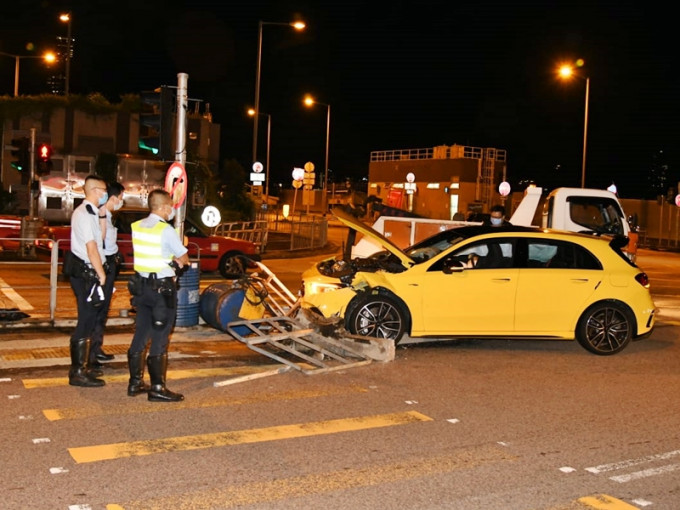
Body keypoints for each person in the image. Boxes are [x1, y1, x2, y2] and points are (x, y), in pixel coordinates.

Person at [127, 189, 189, 402]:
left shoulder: (137, 227)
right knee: (161, 338)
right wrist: (178, 259)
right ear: (163, 207)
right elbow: (183, 257)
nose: (171, 210)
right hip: (161, 291)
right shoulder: (166, 230)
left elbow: (153, 253)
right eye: (170, 207)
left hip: (141, 288)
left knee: (141, 333)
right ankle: (157, 388)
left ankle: (135, 383)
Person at [67, 175, 108, 387]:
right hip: (85, 273)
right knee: (85, 320)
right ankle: (77, 372)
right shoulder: (82, 213)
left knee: (90, 318)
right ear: (94, 190)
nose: (105, 194)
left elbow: (100, 239)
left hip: (89, 272)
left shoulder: (92, 213)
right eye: (103, 190)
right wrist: (101, 275)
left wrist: (102, 216)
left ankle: (84, 367)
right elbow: (92, 248)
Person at [89, 181, 125, 369]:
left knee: (103, 311)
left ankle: (97, 348)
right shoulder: (98, 216)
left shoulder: (107, 216)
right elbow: (97, 244)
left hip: (109, 265)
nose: (122, 201)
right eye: (120, 198)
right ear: (112, 198)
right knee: (98, 310)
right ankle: (92, 354)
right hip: (102, 267)